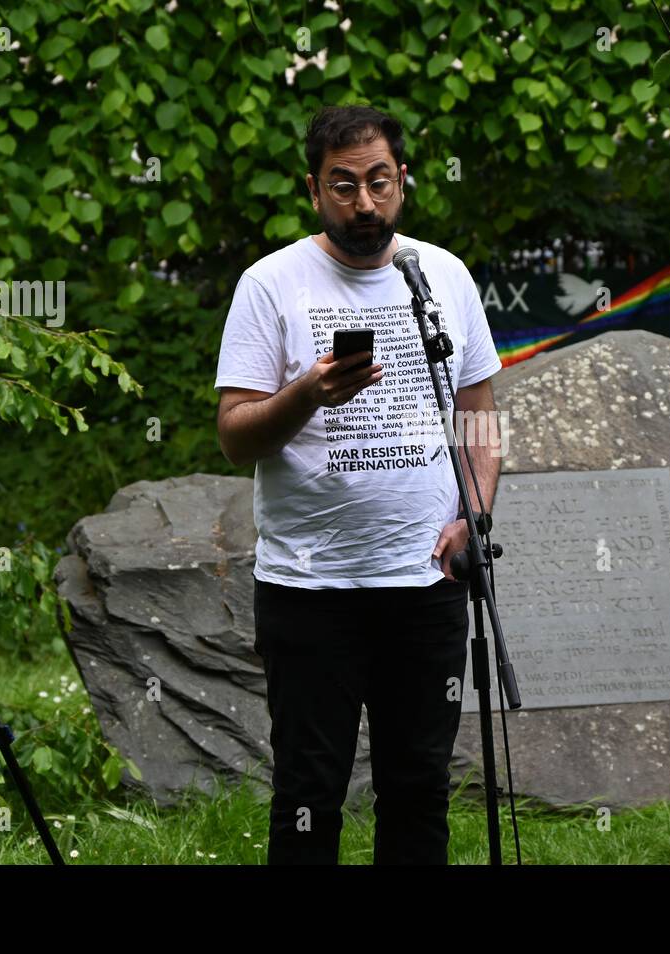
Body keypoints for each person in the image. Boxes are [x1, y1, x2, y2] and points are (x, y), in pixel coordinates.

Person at [214, 104, 503, 864]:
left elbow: (478, 414)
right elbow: (235, 433)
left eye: (380, 182)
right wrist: (307, 393)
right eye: (344, 186)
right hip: (311, 591)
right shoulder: (269, 284)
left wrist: (474, 515)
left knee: (419, 788)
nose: (365, 203)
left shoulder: (442, 276)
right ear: (315, 189)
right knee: (310, 793)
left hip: (426, 580)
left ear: (403, 181)